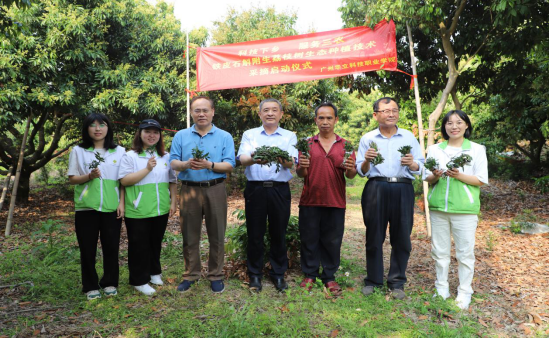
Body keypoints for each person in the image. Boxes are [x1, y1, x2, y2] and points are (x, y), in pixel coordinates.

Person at [356, 97, 425, 300]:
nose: (391, 114)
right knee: (374, 236)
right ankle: (373, 280)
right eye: (386, 111)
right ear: (376, 114)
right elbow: (361, 171)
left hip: (403, 188)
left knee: (402, 236)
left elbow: (421, 166)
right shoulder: (368, 138)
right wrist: (367, 161)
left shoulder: (408, 138)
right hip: (376, 187)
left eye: (394, 110)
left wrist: (412, 164)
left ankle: (397, 282)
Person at [170, 96, 235, 294]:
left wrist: (210, 165)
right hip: (190, 189)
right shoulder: (181, 136)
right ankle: (191, 274)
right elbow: (173, 162)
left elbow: (230, 164)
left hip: (215, 188)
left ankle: (215, 275)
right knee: (190, 234)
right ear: (191, 113)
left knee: (217, 233)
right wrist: (186, 164)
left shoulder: (224, 136)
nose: (201, 114)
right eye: (197, 110)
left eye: (205, 110)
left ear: (213, 111)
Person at [423, 110, 488, 310]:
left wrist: (458, 175)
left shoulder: (476, 149)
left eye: (459, 122)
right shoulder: (435, 149)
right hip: (438, 208)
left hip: (465, 209)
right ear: (444, 127)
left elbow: (481, 179)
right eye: (449, 123)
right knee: (440, 252)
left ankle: (464, 292)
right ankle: (441, 289)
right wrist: (435, 174)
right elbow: (427, 177)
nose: (454, 126)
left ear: (466, 125)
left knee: (465, 253)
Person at [237, 98, 298, 293]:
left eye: (274, 110)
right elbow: (243, 159)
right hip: (255, 189)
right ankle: (255, 274)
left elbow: (291, 163)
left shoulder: (289, 136)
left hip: (279, 189)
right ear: (259, 114)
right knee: (255, 233)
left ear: (281, 114)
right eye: (266, 110)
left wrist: (281, 157)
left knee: (278, 232)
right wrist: (255, 158)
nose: (270, 113)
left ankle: (278, 274)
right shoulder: (250, 134)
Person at [296, 103, 357, 295]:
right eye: (321, 118)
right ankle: (310, 274)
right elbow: (300, 173)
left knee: (332, 240)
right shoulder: (306, 144)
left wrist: (350, 167)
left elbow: (351, 175)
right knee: (309, 238)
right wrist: (302, 166)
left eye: (329, 118)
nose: (325, 122)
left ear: (336, 120)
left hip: (335, 200)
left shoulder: (345, 145)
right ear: (315, 120)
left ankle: (329, 276)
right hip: (310, 199)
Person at [68, 113, 126, 300]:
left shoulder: (119, 151)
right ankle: (90, 286)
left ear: (108, 127)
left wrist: (121, 203)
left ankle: (109, 282)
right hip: (86, 208)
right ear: (87, 129)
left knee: (111, 247)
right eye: (92, 125)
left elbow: (123, 181)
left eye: (102, 124)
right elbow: (72, 179)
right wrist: (89, 177)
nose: (97, 129)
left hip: (111, 208)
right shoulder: (78, 151)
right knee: (87, 249)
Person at [119, 119, 177, 296]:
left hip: (160, 208)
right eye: (147, 132)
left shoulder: (166, 156)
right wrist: (147, 169)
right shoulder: (130, 156)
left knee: (155, 242)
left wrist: (173, 201)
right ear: (140, 134)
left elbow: (172, 180)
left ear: (160, 135)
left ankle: (154, 272)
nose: (151, 135)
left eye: (155, 132)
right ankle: (139, 280)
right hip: (138, 209)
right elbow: (124, 180)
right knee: (139, 244)